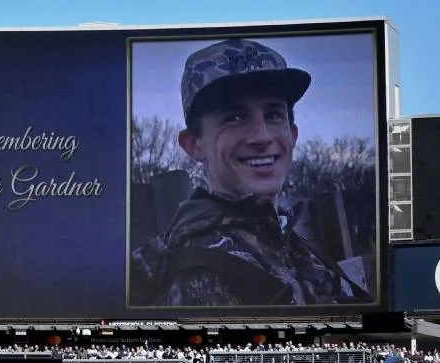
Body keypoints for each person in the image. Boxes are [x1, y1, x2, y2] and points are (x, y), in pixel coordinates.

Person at [131, 38, 368, 308]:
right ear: (194, 145)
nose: (261, 136)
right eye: (234, 117)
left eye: (273, 115)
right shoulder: (200, 269)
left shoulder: (294, 245)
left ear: (292, 134)